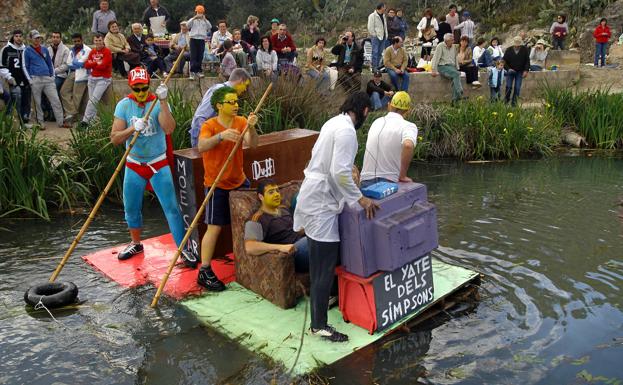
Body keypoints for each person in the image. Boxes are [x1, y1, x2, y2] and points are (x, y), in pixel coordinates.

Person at [293, 91, 378, 343]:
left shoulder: (333, 122)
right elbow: (339, 173)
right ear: (364, 111)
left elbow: (334, 166)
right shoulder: (347, 131)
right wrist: (360, 199)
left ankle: (320, 314)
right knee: (323, 269)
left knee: (322, 265)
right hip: (321, 205)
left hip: (315, 196)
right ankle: (319, 325)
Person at [110, 67, 194, 265]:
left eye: (144, 88)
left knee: (171, 208)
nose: (141, 93)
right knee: (131, 206)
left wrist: (163, 101)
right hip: (134, 164)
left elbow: (169, 128)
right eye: (136, 89)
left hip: (158, 163)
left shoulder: (156, 103)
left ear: (149, 86)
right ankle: (136, 243)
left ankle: (183, 249)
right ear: (131, 87)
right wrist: (133, 128)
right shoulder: (123, 105)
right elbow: (114, 138)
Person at [196, 86, 258, 291]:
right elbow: (202, 146)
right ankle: (204, 270)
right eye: (231, 102)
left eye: (236, 102)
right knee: (214, 227)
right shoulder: (209, 125)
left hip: (239, 181)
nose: (236, 105)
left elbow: (253, 144)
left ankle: (250, 259)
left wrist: (251, 127)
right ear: (219, 105)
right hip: (217, 184)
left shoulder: (241, 122)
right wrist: (221, 137)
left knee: (250, 221)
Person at [244, 179, 309, 273]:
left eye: (277, 191)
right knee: (314, 242)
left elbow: (295, 230)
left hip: (302, 243)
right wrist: (280, 247)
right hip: (291, 255)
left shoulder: (284, 209)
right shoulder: (257, 218)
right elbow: (250, 247)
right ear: (261, 196)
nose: (276, 194)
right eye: (271, 192)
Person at [361, 91, 417, 187]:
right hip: (389, 181)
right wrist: (402, 176)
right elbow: (408, 145)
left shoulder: (376, 122)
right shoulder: (408, 126)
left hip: (365, 180)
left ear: (389, 106)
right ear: (408, 111)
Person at [189, 68, 251, 147]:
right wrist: (204, 138)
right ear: (241, 81)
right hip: (202, 133)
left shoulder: (229, 94)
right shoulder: (219, 91)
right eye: (246, 85)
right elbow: (201, 116)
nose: (245, 89)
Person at [23, 30, 68, 128]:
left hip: (48, 78)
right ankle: (40, 122)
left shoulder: (44, 49)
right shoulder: (27, 51)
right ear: (31, 39)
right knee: (37, 103)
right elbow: (25, 66)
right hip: (35, 78)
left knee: (55, 100)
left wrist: (52, 76)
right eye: (35, 38)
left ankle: (61, 121)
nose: (37, 40)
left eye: (39, 38)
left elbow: (49, 63)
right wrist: (30, 80)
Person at [81, 34, 112, 125]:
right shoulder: (93, 51)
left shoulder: (107, 52)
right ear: (94, 41)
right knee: (92, 101)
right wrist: (97, 62)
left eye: (99, 40)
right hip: (92, 78)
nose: (98, 42)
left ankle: (85, 121)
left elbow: (103, 66)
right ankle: (92, 122)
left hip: (103, 79)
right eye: (96, 40)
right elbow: (86, 65)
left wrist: (93, 62)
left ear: (103, 41)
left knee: (93, 100)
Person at [0, 30, 31, 123]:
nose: (18, 38)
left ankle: (25, 119)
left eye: (20, 36)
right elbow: (1, 65)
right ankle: (17, 120)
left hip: (26, 79)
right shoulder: (6, 49)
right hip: (13, 79)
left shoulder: (26, 49)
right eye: (16, 36)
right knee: (17, 97)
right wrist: (8, 77)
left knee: (27, 99)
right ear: (13, 37)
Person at [60, 33, 90, 123]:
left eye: (78, 41)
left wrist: (76, 63)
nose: (76, 43)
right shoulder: (72, 50)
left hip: (82, 75)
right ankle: (72, 112)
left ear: (82, 40)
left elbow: (82, 63)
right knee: (63, 91)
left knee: (77, 96)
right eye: (75, 41)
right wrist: (77, 63)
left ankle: (73, 118)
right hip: (72, 73)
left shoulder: (87, 50)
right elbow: (69, 63)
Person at [40, 31, 69, 122]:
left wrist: (53, 71)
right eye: (53, 37)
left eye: (57, 37)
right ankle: (46, 111)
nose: (55, 39)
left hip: (60, 75)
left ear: (60, 38)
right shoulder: (48, 49)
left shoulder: (65, 50)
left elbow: (65, 66)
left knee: (53, 88)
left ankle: (55, 113)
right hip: (48, 75)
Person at [431, 33, 463, 103]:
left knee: (455, 78)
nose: (453, 41)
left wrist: (457, 67)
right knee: (456, 74)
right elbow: (435, 58)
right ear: (446, 41)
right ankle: (460, 93)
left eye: (453, 40)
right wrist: (433, 69)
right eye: (452, 40)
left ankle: (454, 102)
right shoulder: (440, 46)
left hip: (452, 67)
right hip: (442, 66)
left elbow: (455, 58)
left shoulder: (454, 47)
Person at [502, 36, 530, 106]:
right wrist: (508, 69)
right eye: (516, 44)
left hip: (520, 71)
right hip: (510, 71)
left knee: (517, 88)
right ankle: (506, 101)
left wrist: (526, 70)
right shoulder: (508, 50)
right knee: (508, 87)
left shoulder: (525, 49)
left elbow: (527, 61)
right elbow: (504, 61)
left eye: (518, 44)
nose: (517, 46)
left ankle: (514, 104)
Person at [187, 5, 211, 80]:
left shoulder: (205, 21)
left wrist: (205, 19)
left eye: (201, 12)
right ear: (196, 12)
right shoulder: (193, 20)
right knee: (193, 56)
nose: (199, 14)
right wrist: (194, 18)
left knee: (200, 56)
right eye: (198, 12)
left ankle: (198, 71)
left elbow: (209, 27)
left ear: (203, 13)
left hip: (201, 39)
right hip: (193, 39)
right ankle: (192, 72)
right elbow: (187, 25)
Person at [367, 3, 388, 71]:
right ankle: (374, 67)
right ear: (381, 7)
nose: (385, 8)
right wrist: (374, 35)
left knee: (380, 52)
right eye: (384, 7)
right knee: (375, 52)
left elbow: (385, 26)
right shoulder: (372, 15)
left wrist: (386, 34)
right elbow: (370, 27)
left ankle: (378, 67)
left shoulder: (384, 15)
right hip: (376, 37)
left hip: (383, 36)